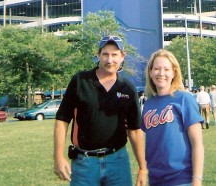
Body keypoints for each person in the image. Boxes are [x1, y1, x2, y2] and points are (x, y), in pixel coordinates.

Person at [53, 35, 147, 186]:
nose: (110, 60)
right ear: (98, 55)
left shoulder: (128, 89)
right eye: (105, 54)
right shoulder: (80, 81)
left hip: (118, 162)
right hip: (85, 163)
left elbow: (135, 131)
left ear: (123, 56)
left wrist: (143, 168)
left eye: (115, 54)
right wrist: (58, 157)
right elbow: (62, 120)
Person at [142, 49, 204, 186]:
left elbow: (197, 143)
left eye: (166, 69)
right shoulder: (148, 104)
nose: (161, 73)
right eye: (156, 69)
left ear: (174, 72)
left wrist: (197, 180)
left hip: (181, 179)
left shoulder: (184, 98)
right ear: (150, 73)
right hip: (155, 180)